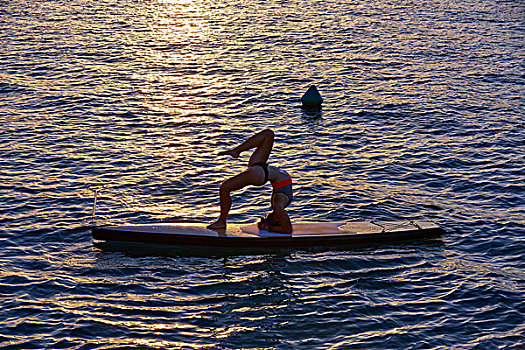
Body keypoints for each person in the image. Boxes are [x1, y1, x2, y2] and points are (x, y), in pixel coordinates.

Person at [207, 129, 293, 234]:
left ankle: (221, 222)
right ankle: (236, 151)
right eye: (267, 217)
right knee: (268, 134)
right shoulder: (279, 208)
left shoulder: (278, 205)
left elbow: (287, 231)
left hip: (261, 173)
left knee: (225, 188)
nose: (267, 215)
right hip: (261, 168)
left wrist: (267, 227)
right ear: (276, 219)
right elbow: (288, 229)